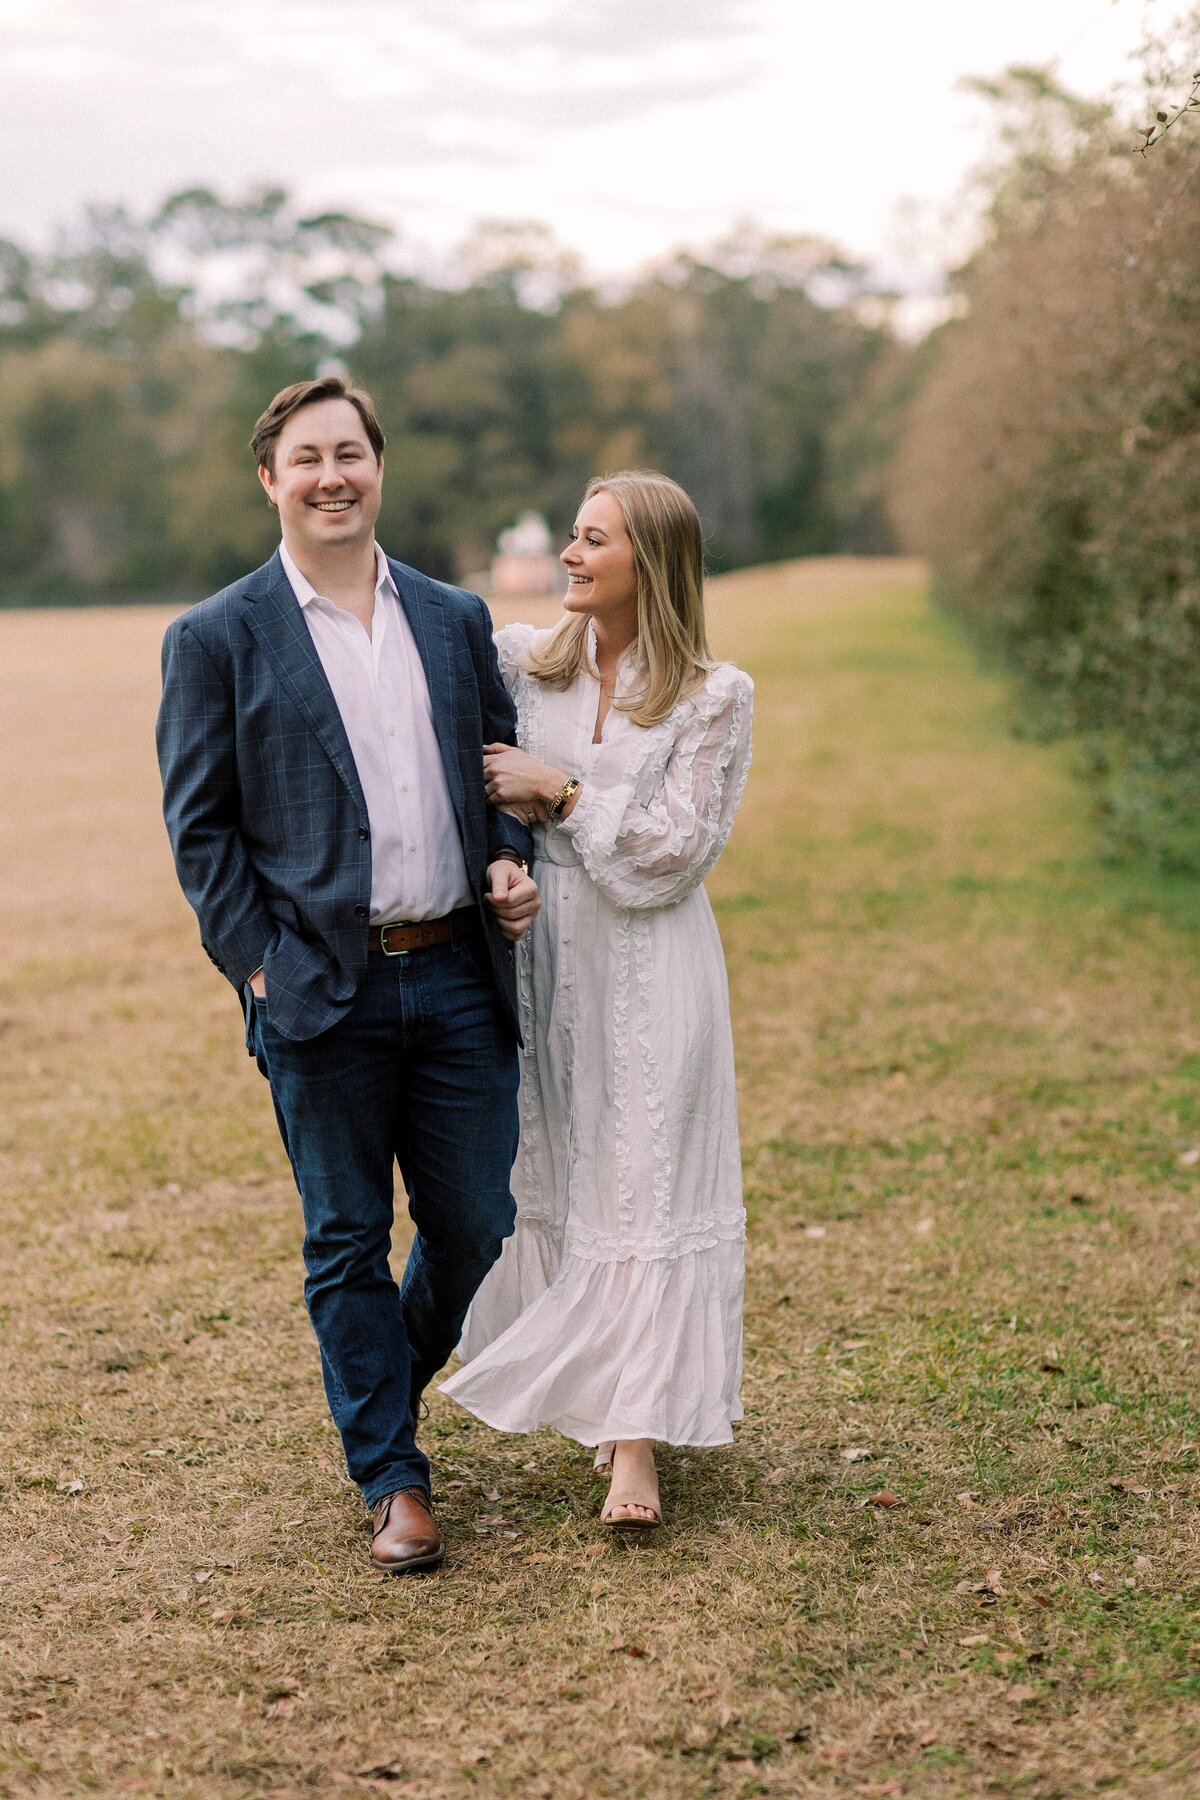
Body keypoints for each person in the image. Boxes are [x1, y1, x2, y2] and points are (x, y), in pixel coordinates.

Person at [155, 376, 539, 1574]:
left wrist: (510, 864)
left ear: (380, 468)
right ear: (269, 479)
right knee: (345, 1241)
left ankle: (384, 1387)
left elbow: (493, 774)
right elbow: (200, 830)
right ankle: (392, 1478)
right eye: (307, 458)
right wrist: (260, 970)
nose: (333, 476)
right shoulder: (217, 636)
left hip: (458, 977)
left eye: (352, 454)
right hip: (319, 990)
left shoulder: (451, 615)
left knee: (477, 1222)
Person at [441, 470, 752, 1528]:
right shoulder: (526, 665)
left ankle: (636, 1449)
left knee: (646, 1174)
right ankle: (587, 1388)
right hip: (544, 949)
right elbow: (472, 769)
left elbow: (673, 854)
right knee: (566, 1167)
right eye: (571, 538)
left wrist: (560, 790)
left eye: (591, 541)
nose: (569, 557)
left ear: (648, 565)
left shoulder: (715, 695)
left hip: (655, 955)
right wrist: (506, 859)